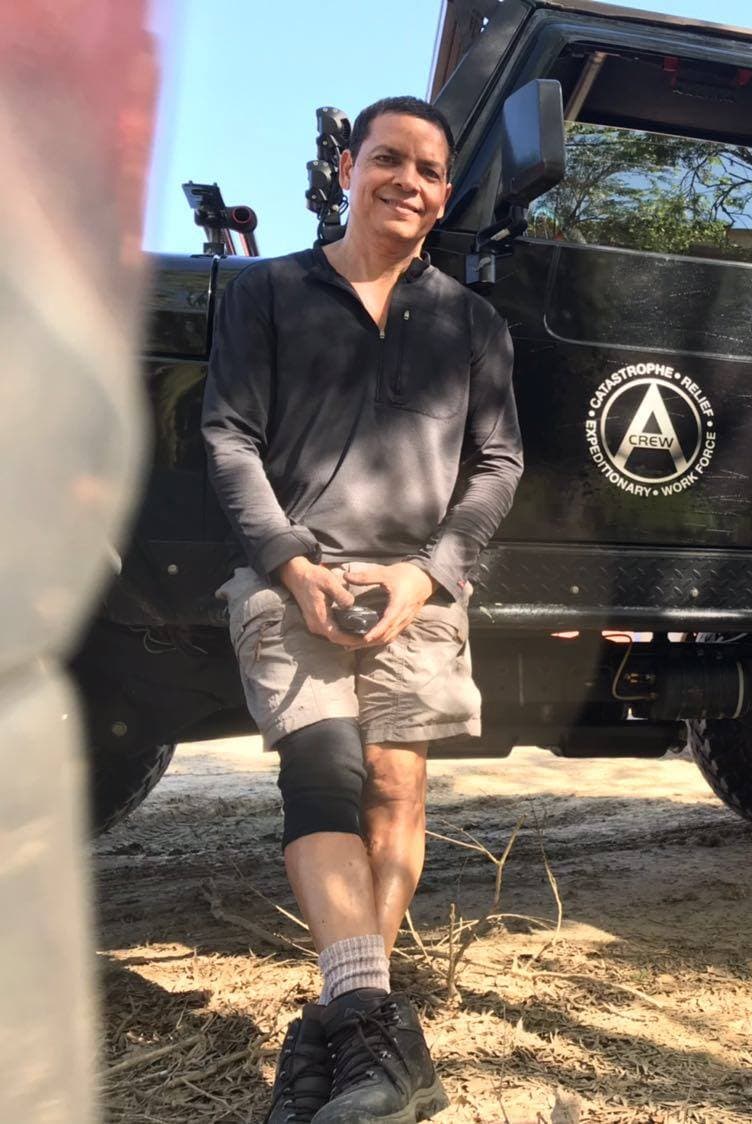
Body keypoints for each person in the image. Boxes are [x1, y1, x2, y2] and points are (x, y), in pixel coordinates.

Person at [202, 95, 523, 1123]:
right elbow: (228, 437)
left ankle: (344, 1028)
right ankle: (374, 1033)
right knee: (325, 773)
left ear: (444, 195)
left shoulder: (474, 323)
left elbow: (499, 463)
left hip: (416, 586)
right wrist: (290, 564)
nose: (409, 182)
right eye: (389, 159)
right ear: (348, 167)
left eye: (430, 171)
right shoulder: (265, 293)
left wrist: (430, 575)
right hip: (299, 577)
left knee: (397, 788)